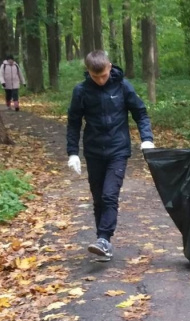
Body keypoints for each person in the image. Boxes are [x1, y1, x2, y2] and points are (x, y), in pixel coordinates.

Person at [66, 50, 155, 259]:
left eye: (103, 75)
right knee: (98, 198)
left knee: (109, 195)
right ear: (88, 71)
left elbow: (140, 113)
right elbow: (73, 122)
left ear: (110, 66)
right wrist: (72, 153)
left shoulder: (123, 86)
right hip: (94, 150)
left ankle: (104, 238)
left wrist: (147, 139)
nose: (100, 80)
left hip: (118, 149)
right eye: (95, 76)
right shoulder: (81, 91)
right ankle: (103, 242)